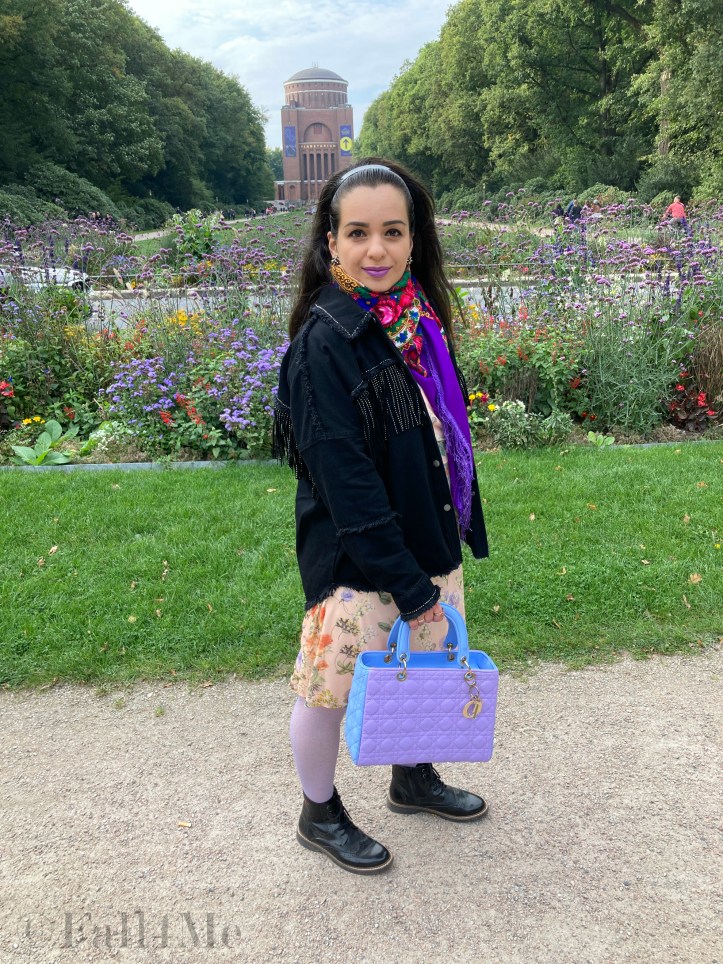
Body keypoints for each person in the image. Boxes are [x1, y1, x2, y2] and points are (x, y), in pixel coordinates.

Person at [274, 158, 490, 874]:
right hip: (356, 558)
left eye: (392, 232)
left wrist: (439, 553)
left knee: (423, 666)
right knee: (328, 688)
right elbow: (346, 485)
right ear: (328, 242)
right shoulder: (324, 344)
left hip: (424, 537)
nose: (376, 250)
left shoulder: (415, 318)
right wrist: (411, 586)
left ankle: (410, 776)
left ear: (413, 237)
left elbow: (434, 433)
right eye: (357, 232)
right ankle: (319, 811)